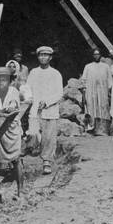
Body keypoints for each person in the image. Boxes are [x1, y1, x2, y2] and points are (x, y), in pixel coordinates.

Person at [0, 66, 24, 194]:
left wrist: (10, 108)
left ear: (10, 81)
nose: (2, 83)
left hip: (11, 129)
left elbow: (13, 105)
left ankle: (20, 189)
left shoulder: (14, 91)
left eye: (5, 80)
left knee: (16, 159)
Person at [26, 46, 63, 174]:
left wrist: (47, 102)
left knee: (48, 137)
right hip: (35, 109)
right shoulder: (33, 72)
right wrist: (29, 98)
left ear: (50, 57)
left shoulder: (55, 74)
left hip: (50, 110)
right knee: (33, 133)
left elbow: (59, 93)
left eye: (46, 55)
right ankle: (32, 153)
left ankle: (46, 161)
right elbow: (27, 88)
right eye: (41, 55)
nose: (43, 57)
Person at [79, 47, 112, 135]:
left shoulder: (106, 66)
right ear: (92, 56)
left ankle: (102, 130)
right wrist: (84, 91)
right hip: (91, 91)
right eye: (95, 54)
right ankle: (91, 128)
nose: (96, 56)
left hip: (102, 91)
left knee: (103, 107)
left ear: (100, 55)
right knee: (91, 108)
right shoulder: (88, 66)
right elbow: (84, 80)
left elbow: (109, 79)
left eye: (98, 54)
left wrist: (109, 90)